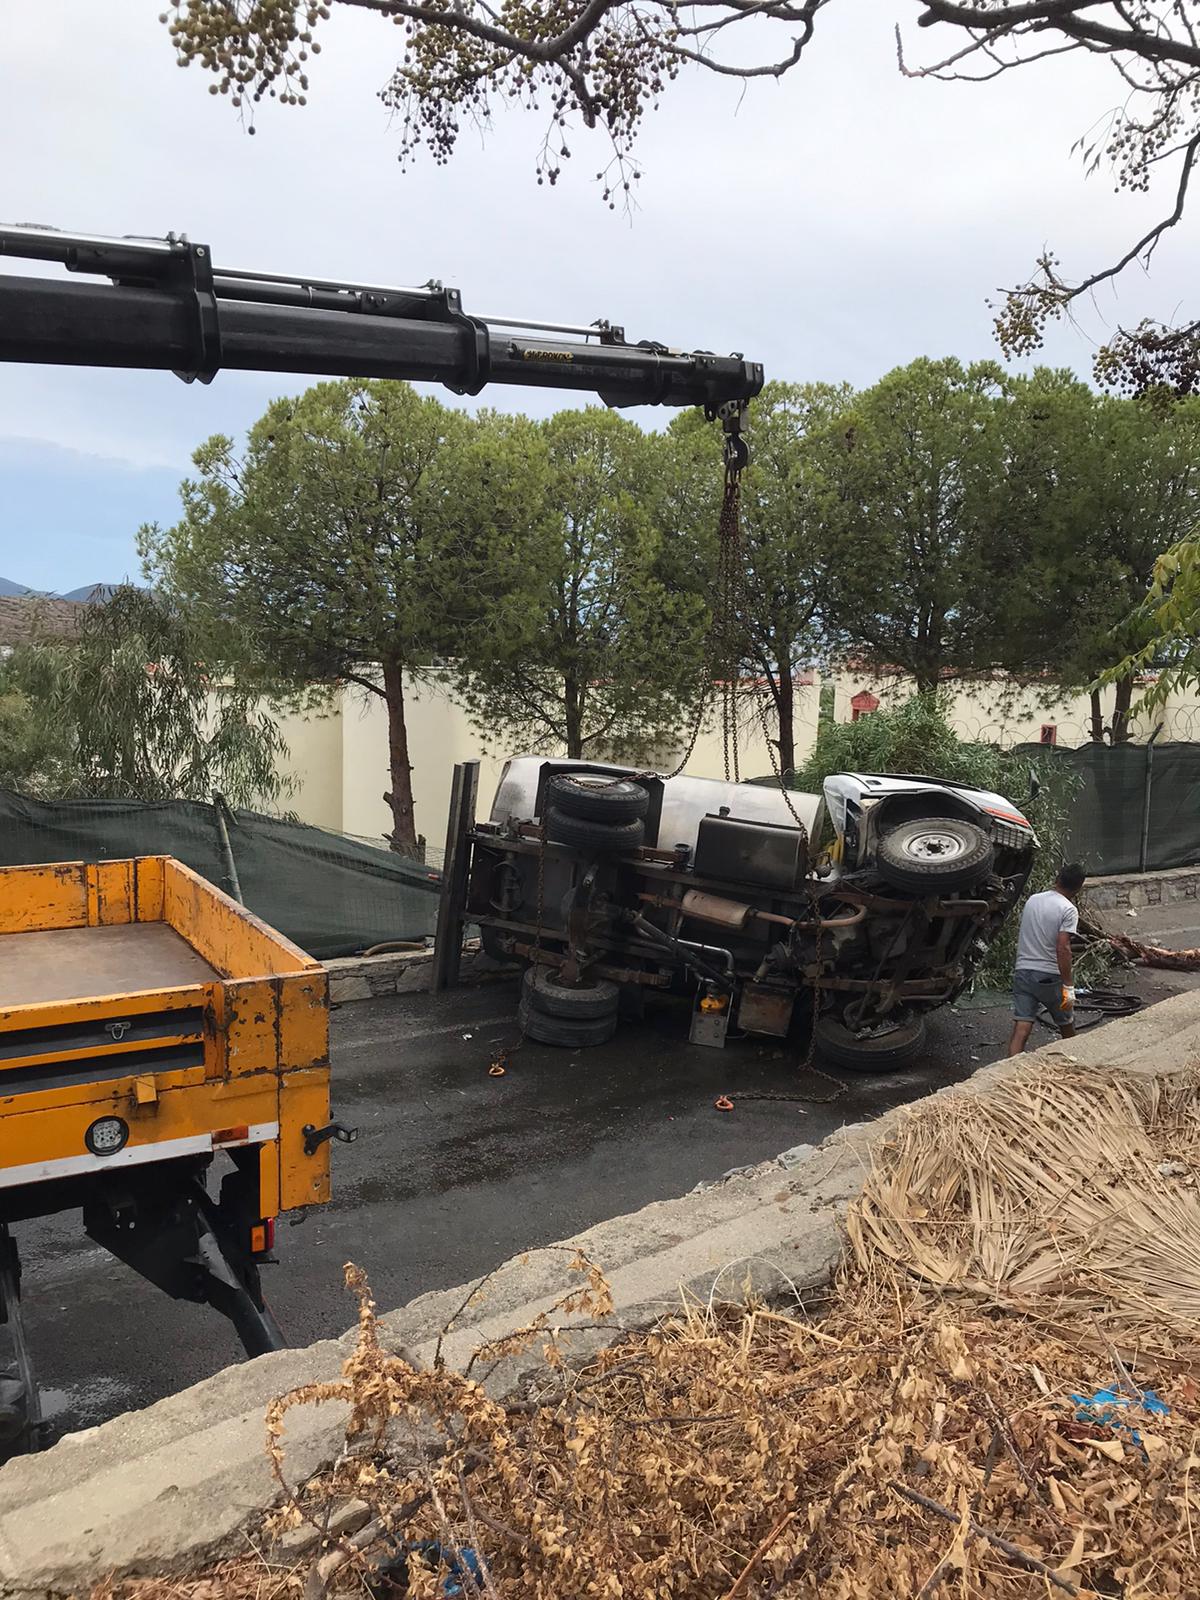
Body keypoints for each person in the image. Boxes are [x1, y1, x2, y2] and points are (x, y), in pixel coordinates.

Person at [1008, 863, 1087, 1056]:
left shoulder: (1033, 900)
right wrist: (1068, 985)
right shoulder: (1068, 909)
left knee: (1022, 1027)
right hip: (1050, 977)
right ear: (1078, 888)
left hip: (1023, 972)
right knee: (1066, 1025)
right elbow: (1063, 947)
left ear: (1057, 879)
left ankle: (1006, 1072)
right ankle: (1075, 1066)